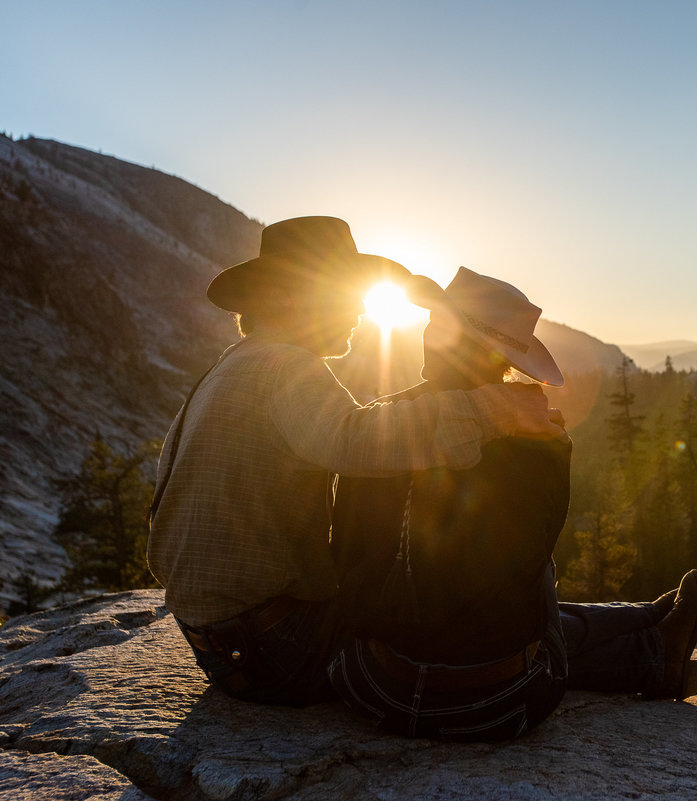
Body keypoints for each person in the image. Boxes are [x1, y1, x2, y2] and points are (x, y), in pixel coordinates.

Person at [147, 217, 564, 707]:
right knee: (457, 623)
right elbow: (356, 438)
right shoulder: (285, 367)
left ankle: (641, 633)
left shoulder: (235, 365)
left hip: (226, 643)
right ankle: (636, 645)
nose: (361, 312)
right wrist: (497, 409)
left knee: (447, 614)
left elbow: (343, 429)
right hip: (277, 644)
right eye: (346, 295)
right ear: (294, 299)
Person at [328, 267, 697, 741]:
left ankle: (649, 624)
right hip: (495, 705)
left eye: (436, 323)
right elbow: (524, 576)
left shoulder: (376, 428)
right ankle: (650, 647)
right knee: (537, 580)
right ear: (504, 358)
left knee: (486, 592)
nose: (428, 332)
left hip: (374, 686)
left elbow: (344, 554)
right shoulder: (538, 440)